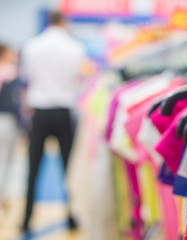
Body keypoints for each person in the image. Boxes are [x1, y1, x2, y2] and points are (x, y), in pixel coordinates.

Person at [21, 11, 86, 232]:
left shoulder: (32, 46)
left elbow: (28, 78)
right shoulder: (75, 47)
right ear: (64, 22)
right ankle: (71, 216)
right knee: (69, 168)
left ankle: (26, 218)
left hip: (39, 112)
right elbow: (76, 79)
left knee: (33, 168)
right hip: (63, 112)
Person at [0, 43, 20, 210]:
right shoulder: (11, 72)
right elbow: (16, 101)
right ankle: (3, 195)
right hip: (7, 119)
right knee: (6, 159)